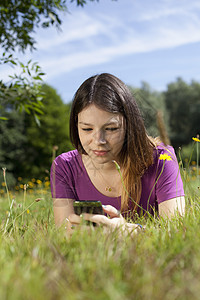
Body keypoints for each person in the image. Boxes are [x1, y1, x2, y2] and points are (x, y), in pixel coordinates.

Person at [50, 73, 185, 234]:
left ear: (129, 125)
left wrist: (128, 232)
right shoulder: (64, 166)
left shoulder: (162, 159)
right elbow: (63, 233)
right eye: (87, 129)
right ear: (76, 126)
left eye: (111, 129)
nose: (99, 140)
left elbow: (177, 231)